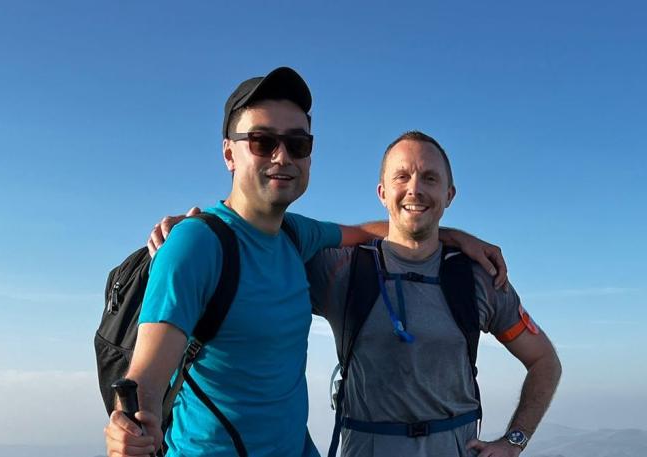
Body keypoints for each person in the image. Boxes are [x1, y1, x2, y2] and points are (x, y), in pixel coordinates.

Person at [104, 68, 506, 457]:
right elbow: (146, 382)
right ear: (229, 153)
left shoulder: (296, 235)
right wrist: (132, 428)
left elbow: (368, 232)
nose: (283, 156)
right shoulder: (196, 245)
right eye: (262, 142)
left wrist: (449, 236)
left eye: (298, 144)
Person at [306, 131, 562, 457]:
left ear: (449, 194)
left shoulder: (478, 277)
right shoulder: (341, 268)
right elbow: (270, 240)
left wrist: (514, 441)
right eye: (402, 176)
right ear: (382, 193)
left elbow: (544, 361)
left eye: (429, 178)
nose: (415, 188)